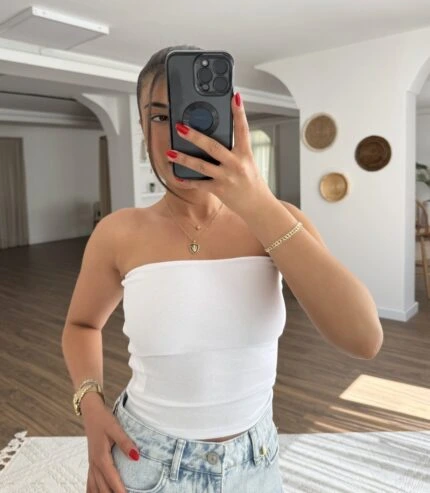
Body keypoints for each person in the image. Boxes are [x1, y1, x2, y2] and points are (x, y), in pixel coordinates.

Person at [62, 45, 383, 493]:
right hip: (144, 460)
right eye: (159, 117)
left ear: (231, 121)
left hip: (256, 464)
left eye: (198, 114)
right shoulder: (118, 233)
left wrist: (256, 202)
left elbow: (364, 338)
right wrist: (91, 404)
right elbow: (81, 325)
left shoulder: (278, 221)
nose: (182, 133)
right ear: (141, 127)